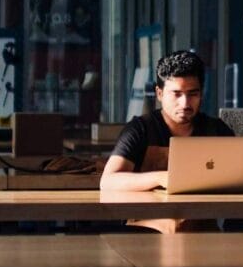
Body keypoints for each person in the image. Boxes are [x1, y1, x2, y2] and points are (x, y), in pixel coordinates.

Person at [100, 49, 234, 192]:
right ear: (160, 93)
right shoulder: (140, 129)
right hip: (149, 213)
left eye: (193, 94)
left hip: (201, 213)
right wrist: (161, 178)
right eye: (176, 94)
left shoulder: (217, 129)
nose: (185, 103)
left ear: (201, 93)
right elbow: (108, 181)